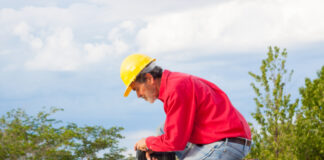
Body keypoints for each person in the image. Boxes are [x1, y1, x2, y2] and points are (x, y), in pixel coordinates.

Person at [120, 54, 252, 160]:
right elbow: (174, 135)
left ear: (149, 79)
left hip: (227, 143)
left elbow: (175, 142)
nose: (138, 95)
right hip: (213, 138)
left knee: (162, 138)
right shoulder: (173, 84)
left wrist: (149, 143)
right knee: (162, 130)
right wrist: (155, 147)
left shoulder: (176, 89)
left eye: (137, 89)